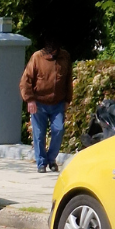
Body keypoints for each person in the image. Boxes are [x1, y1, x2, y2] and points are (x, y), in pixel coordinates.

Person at [19, 37, 73, 174]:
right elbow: (26, 81)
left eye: (53, 51)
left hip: (58, 103)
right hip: (39, 103)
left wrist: (67, 100)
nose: (51, 54)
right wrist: (30, 100)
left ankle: (51, 159)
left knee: (59, 130)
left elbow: (68, 80)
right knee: (38, 135)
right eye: (49, 51)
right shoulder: (36, 57)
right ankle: (41, 163)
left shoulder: (65, 57)